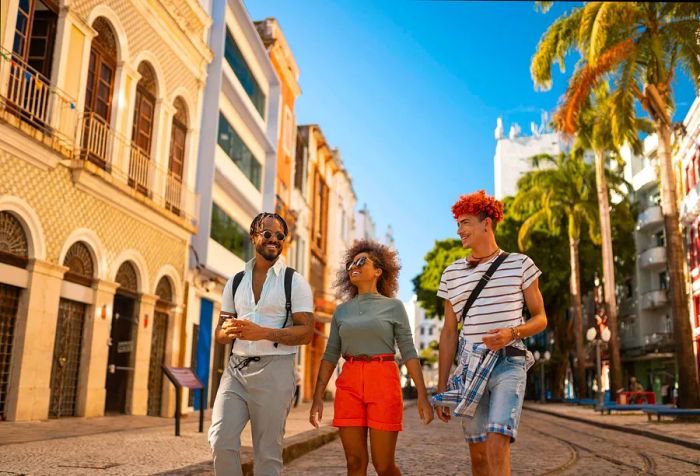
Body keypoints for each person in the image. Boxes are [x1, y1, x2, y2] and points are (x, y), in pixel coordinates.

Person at [433, 191, 547, 476]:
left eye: (466, 222)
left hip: (509, 363)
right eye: (458, 224)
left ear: (487, 223)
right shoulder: (452, 274)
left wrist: (513, 332)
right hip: (469, 367)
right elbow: (449, 334)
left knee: (497, 441)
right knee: (479, 454)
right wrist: (441, 385)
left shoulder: (520, 264)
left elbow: (541, 318)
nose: (460, 230)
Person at [309, 240, 434, 476]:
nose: (353, 266)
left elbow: (408, 351)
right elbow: (330, 355)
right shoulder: (341, 311)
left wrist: (422, 395)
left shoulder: (394, 307)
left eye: (361, 261)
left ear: (378, 271)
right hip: (349, 382)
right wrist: (317, 397)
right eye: (350, 263)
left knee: (383, 465)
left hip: (383, 379)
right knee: (354, 463)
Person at [208, 212, 315, 476]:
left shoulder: (294, 281)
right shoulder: (235, 282)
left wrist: (263, 332)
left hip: (275, 371)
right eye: (268, 233)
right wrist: (229, 330)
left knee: (267, 453)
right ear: (254, 235)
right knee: (220, 441)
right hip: (236, 370)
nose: (274, 240)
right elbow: (220, 333)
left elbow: (306, 332)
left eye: (281, 236)